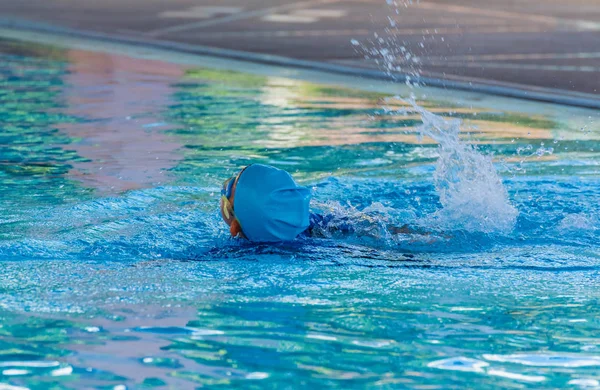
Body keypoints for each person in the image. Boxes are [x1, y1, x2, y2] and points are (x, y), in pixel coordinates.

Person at [220, 164, 417, 242]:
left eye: (229, 188)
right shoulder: (310, 222)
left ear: (234, 227)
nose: (225, 185)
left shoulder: (234, 253)